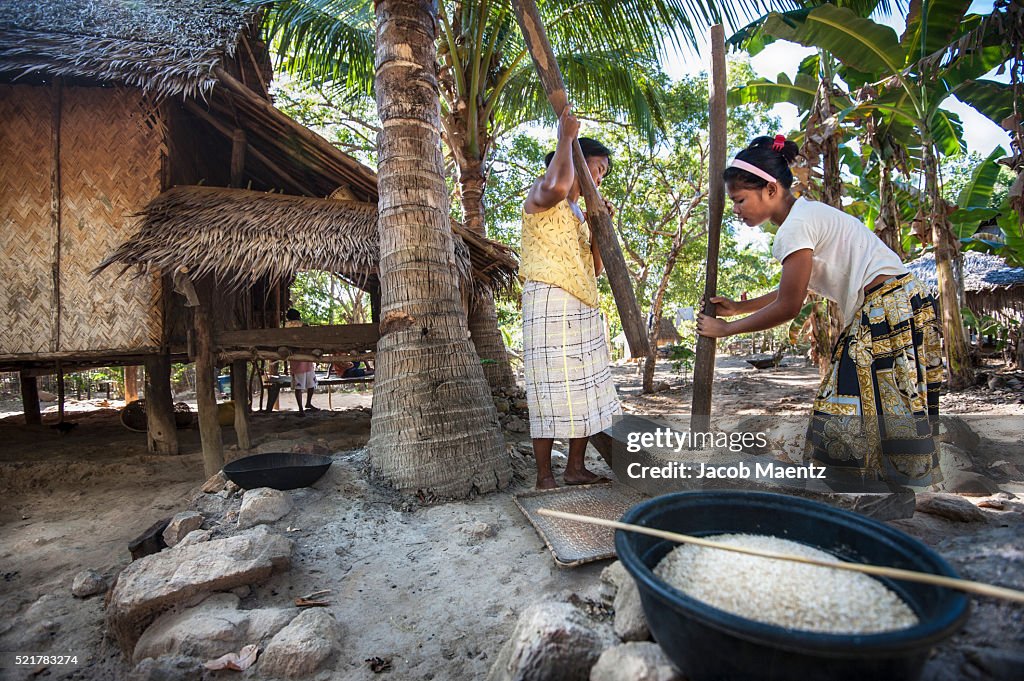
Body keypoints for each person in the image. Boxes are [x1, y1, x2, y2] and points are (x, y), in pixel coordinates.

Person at [696, 135, 944, 488]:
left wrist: (726, 329)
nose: (736, 210)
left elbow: (788, 305)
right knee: (891, 399)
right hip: (906, 300)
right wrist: (739, 307)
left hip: (885, 306)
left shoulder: (795, 227)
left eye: (739, 200)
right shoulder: (805, 216)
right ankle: (897, 485)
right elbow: (798, 287)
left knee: (842, 404)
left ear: (769, 189)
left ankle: (848, 488)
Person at [521, 105, 621, 489]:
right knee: (548, 387)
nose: (599, 176)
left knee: (586, 387)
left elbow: (594, 268)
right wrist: (566, 137)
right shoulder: (543, 195)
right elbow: (557, 185)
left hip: (583, 302)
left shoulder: (580, 212)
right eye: (596, 167)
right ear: (574, 162)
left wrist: (600, 226)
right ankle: (544, 475)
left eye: (602, 171)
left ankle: (575, 468)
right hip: (550, 299)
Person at [284, 308, 318, 416]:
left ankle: (303, 407)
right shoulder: (302, 326)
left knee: (303, 386)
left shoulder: (286, 328)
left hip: (300, 359)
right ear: (298, 317)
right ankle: (304, 406)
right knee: (307, 385)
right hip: (303, 358)